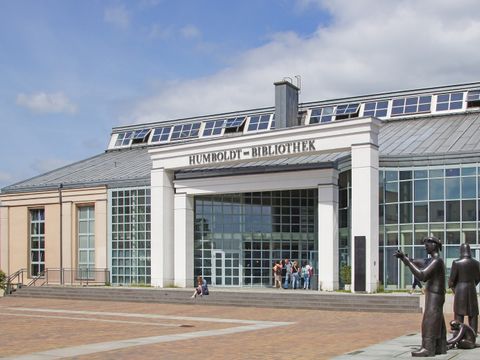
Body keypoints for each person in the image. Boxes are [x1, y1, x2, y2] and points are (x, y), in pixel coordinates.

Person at [395, 236, 447, 357]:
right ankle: (440, 346)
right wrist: (404, 258)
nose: (425, 246)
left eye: (427, 244)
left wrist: (407, 261)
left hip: (435, 294)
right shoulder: (431, 260)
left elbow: (422, 276)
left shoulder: (437, 261)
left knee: (429, 320)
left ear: (434, 245)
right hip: (435, 294)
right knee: (437, 318)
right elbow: (415, 261)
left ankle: (428, 348)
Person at [448, 243, 480, 335]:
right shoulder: (476, 263)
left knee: (459, 313)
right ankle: (473, 332)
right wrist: (473, 284)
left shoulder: (456, 262)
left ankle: (457, 332)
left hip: (460, 290)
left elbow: (451, 281)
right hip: (471, 289)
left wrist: (455, 290)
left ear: (461, 251)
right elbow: (478, 278)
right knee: (473, 313)